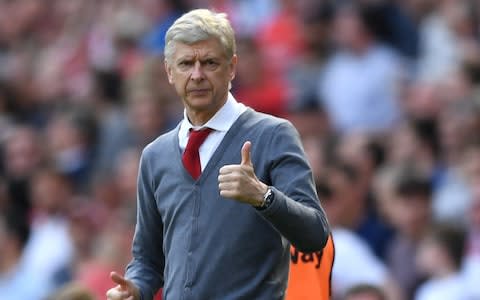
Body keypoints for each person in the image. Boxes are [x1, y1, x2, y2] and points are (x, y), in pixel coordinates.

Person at [106, 8, 330, 300]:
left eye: (209, 62)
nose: (197, 74)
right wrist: (135, 287)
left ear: (232, 67)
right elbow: (148, 260)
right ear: (169, 72)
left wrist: (264, 197)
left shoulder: (273, 135)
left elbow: (315, 235)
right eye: (186, 63)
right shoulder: (155, 155)